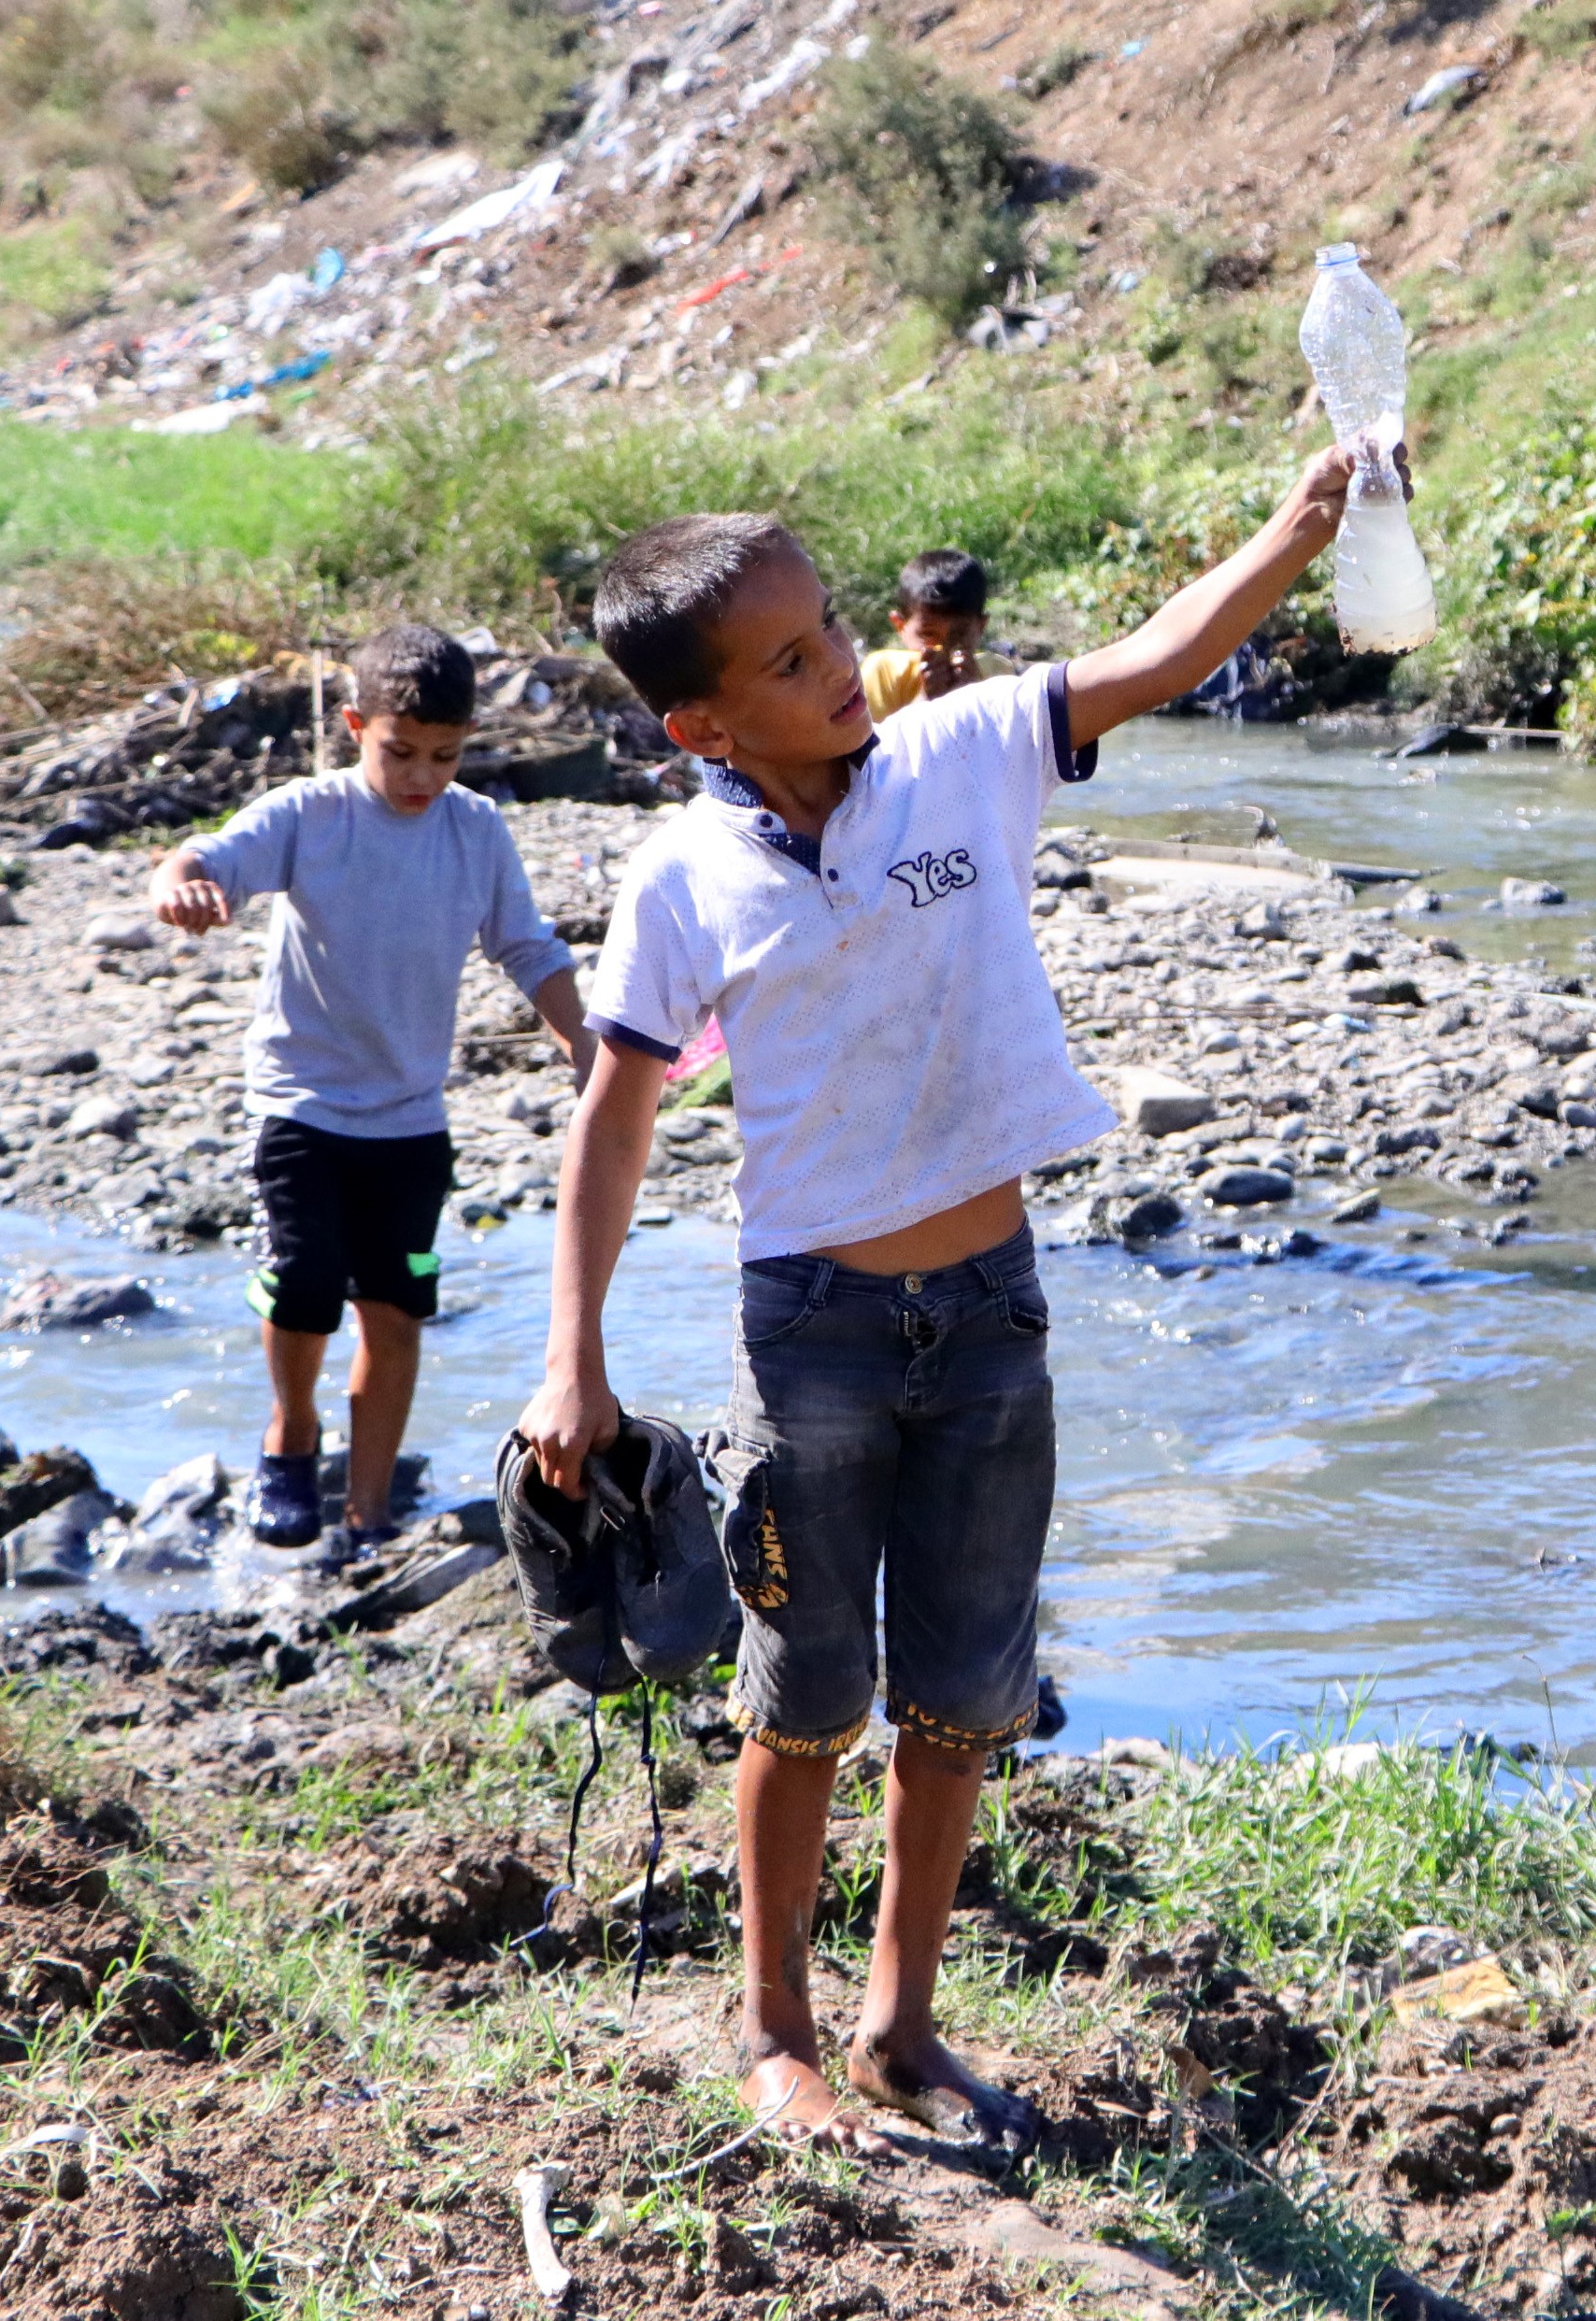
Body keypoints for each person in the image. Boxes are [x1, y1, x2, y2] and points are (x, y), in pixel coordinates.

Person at [516, 440, 1377, 2153]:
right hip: (813, 1326)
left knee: (962, 1693)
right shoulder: (681, 878)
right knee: (803, 1692)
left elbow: (1161, 652)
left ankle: (903, 2025)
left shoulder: (963, 753)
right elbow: (615, 1117)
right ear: (699, 727)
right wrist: (572, 1358)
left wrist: (1296, 524)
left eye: (826, 625)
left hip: (992, 1311)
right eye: (783, 660)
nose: (835, 662)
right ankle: (777, 2028)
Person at [152, 624, 595, 1556]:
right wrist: (179, 887)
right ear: (356, 726)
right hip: (300, 1104)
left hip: (409, 1120)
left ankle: (368, 1511)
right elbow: (204, 859)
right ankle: (291, 1435)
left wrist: (585, 1045)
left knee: (395, 1312)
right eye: (400, 752)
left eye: (446, 755)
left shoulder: (474, 830)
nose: (421, 776)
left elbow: (527, 947)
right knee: (306, 1285)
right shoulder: (311, 816)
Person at [857, 547, 1019, 721]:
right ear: (900, 625)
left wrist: (974, 695)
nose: (943, 648)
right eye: (927, 635)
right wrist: (925, 700)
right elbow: (876, 744)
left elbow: (1010, 740)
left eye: (959, 635)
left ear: (981, 626)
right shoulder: (884, 672)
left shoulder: (997, 673)